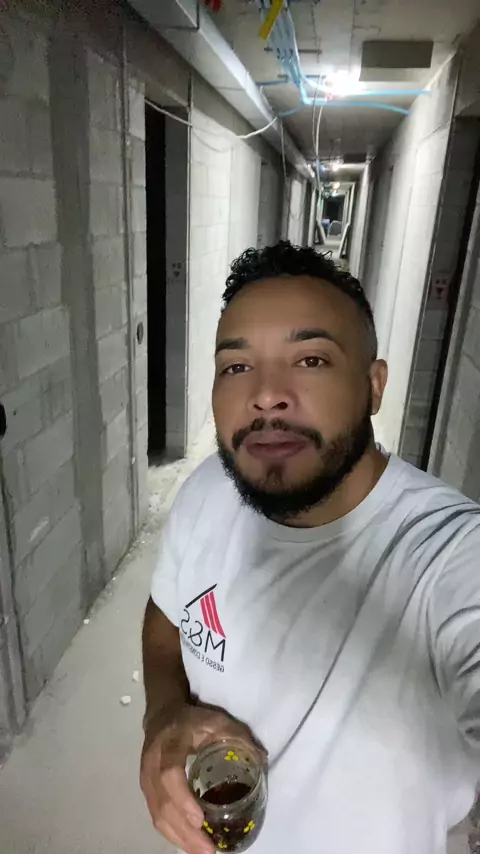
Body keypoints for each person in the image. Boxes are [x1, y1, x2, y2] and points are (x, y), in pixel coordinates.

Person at [140, 241, 480, 854]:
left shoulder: (450, 554)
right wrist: (163, 715)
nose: (266, 395)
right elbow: (165, 619)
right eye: (236, 367)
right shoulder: (205, 492)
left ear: (374, 387)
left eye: (312, 359)